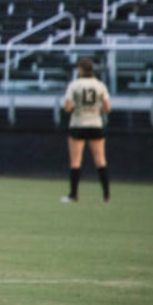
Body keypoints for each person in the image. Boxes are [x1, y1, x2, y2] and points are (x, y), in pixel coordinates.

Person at [61, 57, 111, 203]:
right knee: (100, 160)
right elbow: (107, 108)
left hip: (78, 124)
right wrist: (95, 110)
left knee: (75, 161)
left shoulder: (74, 85)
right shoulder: (100, 85)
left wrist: (80, 109)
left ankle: (73, 194)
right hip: (96, 124)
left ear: (80, 69)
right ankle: (106, 195)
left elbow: (68, 107)